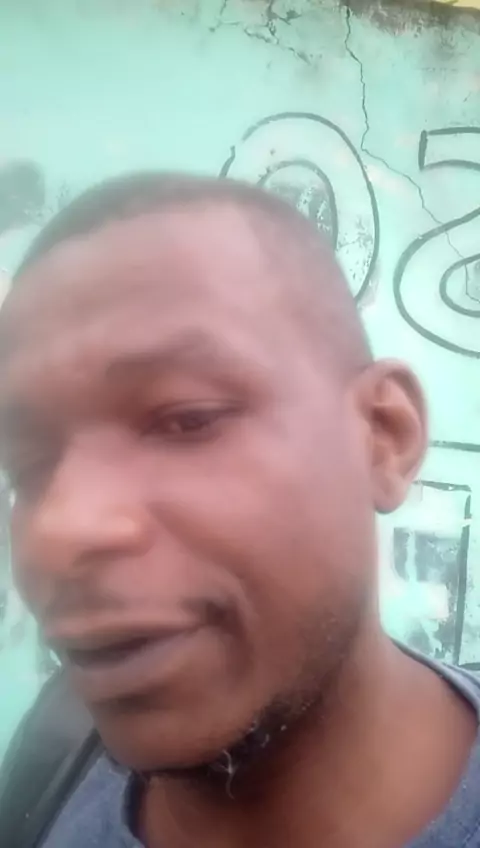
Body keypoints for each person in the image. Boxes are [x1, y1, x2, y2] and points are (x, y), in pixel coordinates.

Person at [0, 173, 478, 848]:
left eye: (187, 419)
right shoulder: (48, 777)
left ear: (383, 437)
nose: (58, 530)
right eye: (27, 470)